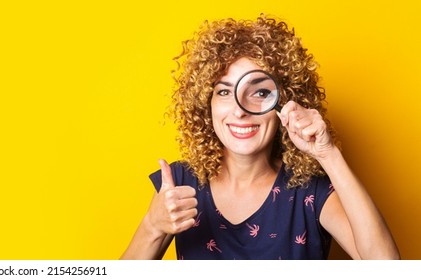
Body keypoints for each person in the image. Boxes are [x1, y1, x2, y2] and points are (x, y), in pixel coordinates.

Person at [120, 15, 399, 260]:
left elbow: (387, 267)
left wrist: (328, 154)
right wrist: (152, 226)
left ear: (284, 103)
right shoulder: (180, 183)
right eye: (225, 92)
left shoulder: (310, 192)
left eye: (261, 92)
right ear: (207, 105)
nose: (241, 111)